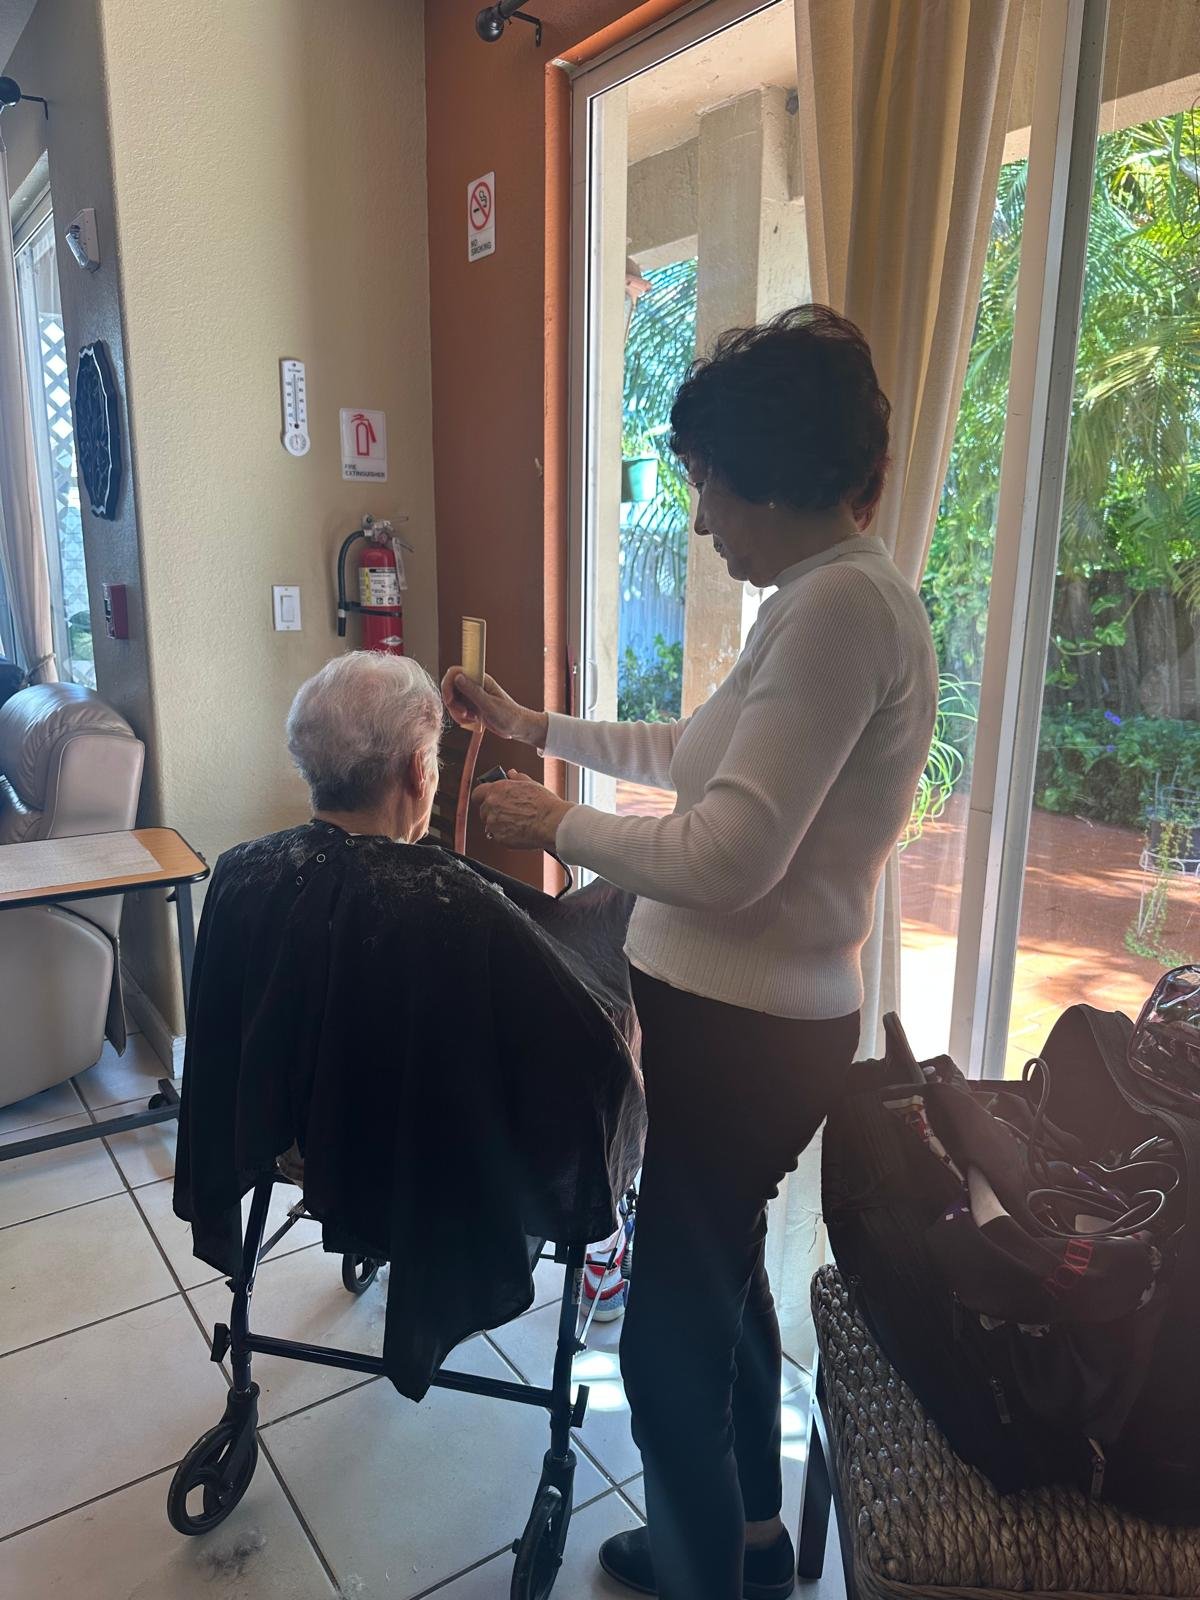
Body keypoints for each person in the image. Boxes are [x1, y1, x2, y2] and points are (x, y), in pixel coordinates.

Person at [442, 306, 939, 1600]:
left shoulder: (841, 613)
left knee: (663, 1349)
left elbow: (729, 856)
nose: (704, 517)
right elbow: (694, 755)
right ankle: (752, 1546)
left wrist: (554, 824)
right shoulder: (817, 599)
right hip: (736, 1031)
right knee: (718, 1284)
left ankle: (703, 1569)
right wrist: (537, 725)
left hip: (750, 1043)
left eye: (713, 484)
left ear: (777, 476)